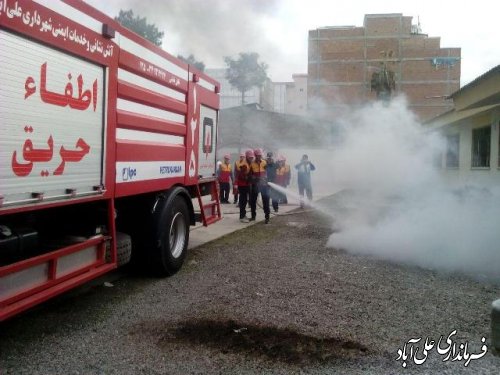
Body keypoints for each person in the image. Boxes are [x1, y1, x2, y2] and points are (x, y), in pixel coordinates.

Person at [249, 148, 270, 224]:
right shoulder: (252, 164)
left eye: (260, 155)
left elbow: (269, 173)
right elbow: (250, 175)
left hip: (264, 185)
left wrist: (267, 181)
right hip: (255, 185)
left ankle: (267, 217)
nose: (259, 157)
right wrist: (254, 178)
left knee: (266, 201)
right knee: (253, 201)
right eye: (258, 155)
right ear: (255, 156)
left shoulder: (264, 162)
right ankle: (253, 216)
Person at [235, 149, 253, 223]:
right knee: (243, 201)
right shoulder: (244, 165)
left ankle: (243, 215)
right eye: (250, 157)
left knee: (245, 200)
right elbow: (242, 176)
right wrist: (250, 178)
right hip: (242, 185)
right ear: (247, 157)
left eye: (252, 157)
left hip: (246, 184)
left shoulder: (249, 163)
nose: (251, 158)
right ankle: (242, 216)